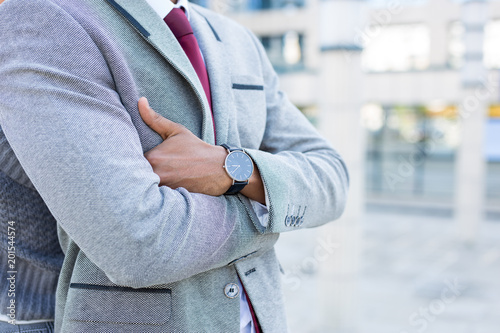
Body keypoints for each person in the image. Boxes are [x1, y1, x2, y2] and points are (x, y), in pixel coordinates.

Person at [0, 0, 349, 332]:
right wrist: (270, 205)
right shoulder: (44, 19)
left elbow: (332, 177)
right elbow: (138, 245)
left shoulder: (237, 38)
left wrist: (232, 170)